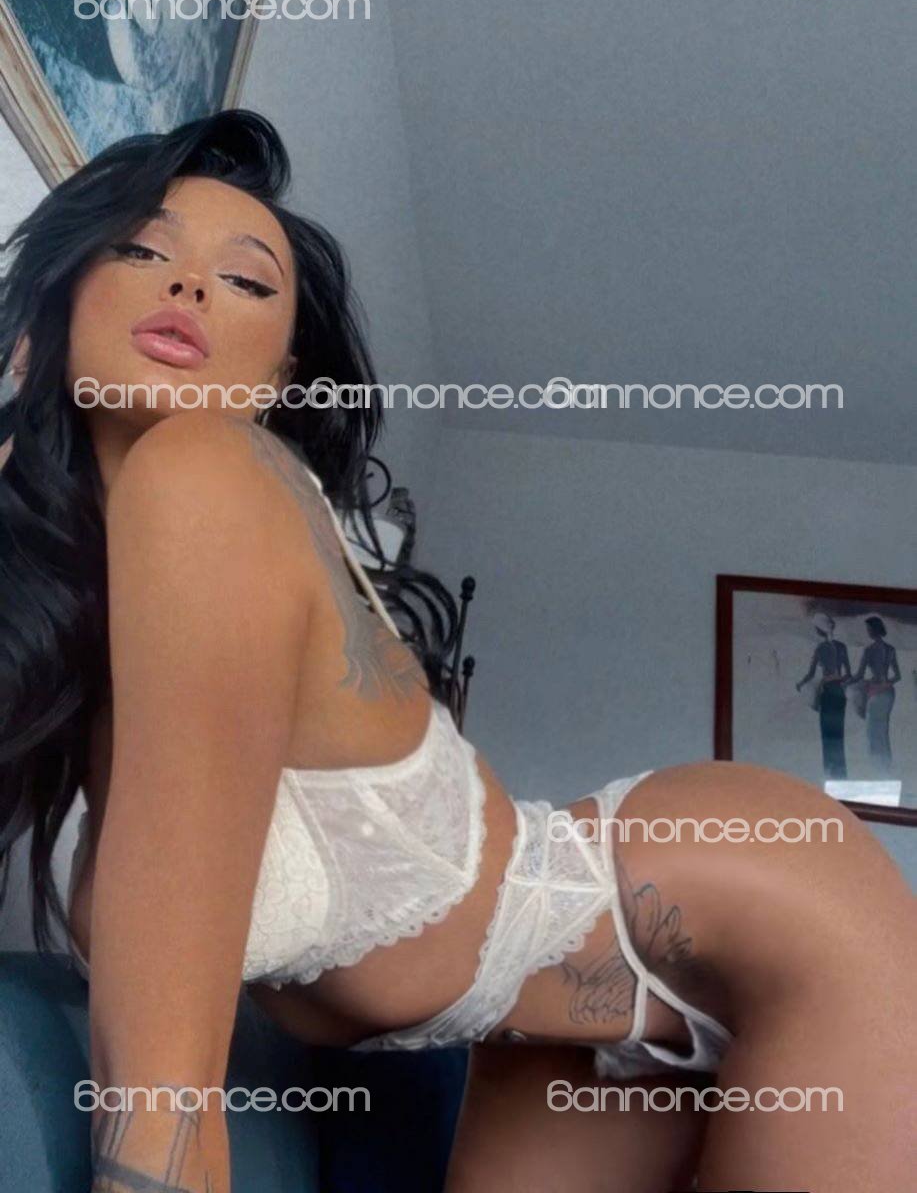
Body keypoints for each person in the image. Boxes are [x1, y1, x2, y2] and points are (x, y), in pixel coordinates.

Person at [1, 112, 913, 1193]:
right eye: (140, 250)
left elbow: (166, 1114)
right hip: (551, 1026)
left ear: (283, 375)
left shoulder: (208, 473)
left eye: (245, 281)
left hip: (767, 917)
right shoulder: (91, 594)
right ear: (56, 304)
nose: (190, 285)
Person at [796, 613, 851, 778]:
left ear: (820, 630)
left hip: (827, 694)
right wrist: (838, 680)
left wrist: (800, 684)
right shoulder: (842, 647)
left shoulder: (820, 649)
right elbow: (848, 674)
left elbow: (811, 674)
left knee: (827, 736)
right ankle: (841, 773)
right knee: (838, 735)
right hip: (839, 694)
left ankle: (830, 772)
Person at [850, 615, 901, 772]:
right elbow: (897, 676)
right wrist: (886, 684)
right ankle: (886, 765)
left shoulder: (869, 650)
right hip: (888, 693)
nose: (867, 632)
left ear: (873, 630)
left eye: (868, 629)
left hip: (875, 693)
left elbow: (859, 675)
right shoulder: (890, 649)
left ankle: (877, 767)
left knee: (873, 731)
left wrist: (847, 682)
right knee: (883, 730)